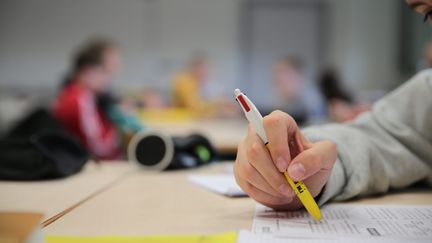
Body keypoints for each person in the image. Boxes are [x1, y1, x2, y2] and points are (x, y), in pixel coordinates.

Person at [233, 0, 432, 210]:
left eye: (283, 74)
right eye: (429, 14)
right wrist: (312, 164)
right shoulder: (427, 94)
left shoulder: (309, 96)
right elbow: (377, 139)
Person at [53, 38, 142, 161]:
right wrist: (119, 130)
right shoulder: (79, 100)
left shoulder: (87, 96)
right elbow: (99, 149)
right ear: (88, 70)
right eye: (107, 72)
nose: (109, 80)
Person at [272, 57, 325, 124]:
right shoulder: (280, 99)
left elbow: (317, 124)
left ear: (298, 75)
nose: (278, 77)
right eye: (277, 72)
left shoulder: (313, 99)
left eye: (284, 71)